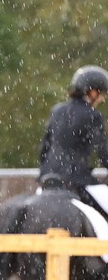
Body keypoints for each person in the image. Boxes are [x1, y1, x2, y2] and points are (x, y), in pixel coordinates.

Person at [38, 65, 108, 215]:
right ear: (92, 91)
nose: (102, 98)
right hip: (77, 180)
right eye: (101, 94)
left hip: (49, 179)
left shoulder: (57, 111)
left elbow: (43, 149)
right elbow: (103, 153)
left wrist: (47, 172)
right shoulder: (93, 116)